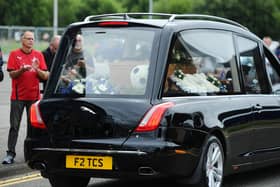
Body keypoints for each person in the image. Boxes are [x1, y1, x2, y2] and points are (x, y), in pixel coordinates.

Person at [2, 31, 49, 164]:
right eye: (28, 39)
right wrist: (22, 70)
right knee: (14, 126)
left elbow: (45, 76)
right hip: (18, 97)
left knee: (32, 126)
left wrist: (37, 69)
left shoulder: (38, 55)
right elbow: (12, 75)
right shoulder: (14, 54)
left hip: (33, 97)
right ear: (22, 40)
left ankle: (31, 153)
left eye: (32, 39)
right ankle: (10, 154)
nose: (31, 41)